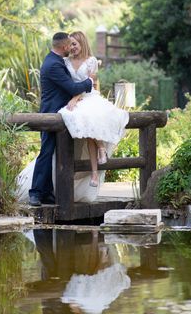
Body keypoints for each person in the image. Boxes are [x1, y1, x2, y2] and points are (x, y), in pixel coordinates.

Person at [27, 32, 94, 207]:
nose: (71, 48)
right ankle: (35, 193)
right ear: (64, 47)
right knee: (46, 152)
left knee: (54, 153)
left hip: (60, 114)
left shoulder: (54, 60)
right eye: (69, 46)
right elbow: (72, 87)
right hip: (50, 115)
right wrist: (89, 82)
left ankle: (47, 193)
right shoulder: (53, 65)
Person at [58, 31, 129, 188]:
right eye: (70, 45)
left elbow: (91, 82)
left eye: (75, 44)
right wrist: (74, 98)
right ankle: (100, 150)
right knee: (87, 128)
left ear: (82, 43)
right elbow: (67, 84)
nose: (72, 47)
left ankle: (96, 172)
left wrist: (77, 98)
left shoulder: (91, 61)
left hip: (89, 96)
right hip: (75, 98)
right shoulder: (65, 62)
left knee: (91, 125)